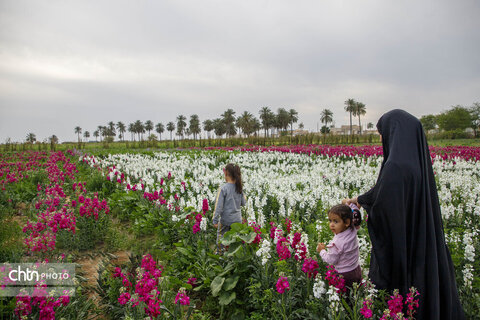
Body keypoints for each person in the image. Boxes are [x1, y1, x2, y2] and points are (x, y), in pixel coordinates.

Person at [345, 109, 464, 319]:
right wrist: (362, 200)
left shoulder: (394, 166)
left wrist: (364, 208)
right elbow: (387, 193)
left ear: (394, 132)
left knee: (404, 295)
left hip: (404, 244)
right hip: (422, 235)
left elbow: (385, 205)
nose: (381, 137)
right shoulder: (416, 162)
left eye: (381, 132)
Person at [316, 203, 362, 290]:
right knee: (356, 293)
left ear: (347, 222)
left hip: (344, 275)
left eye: (336, 221)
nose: (332, 225)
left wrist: (322, 251)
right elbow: (356, 213)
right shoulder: (353, 229)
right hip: (356, 269)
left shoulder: (336, 243)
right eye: (330, 221)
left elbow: (331, 260)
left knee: (345, 298)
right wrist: (350, 203)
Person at [212, 163, 246, 252]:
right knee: (235, 241)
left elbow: (218, 206)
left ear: (226, 173)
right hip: (237, 221)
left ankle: (221, 256)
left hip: (226, 221)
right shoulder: (239, 188)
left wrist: (215, 220)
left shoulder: (223, 188)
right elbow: (244, 203)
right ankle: (233, 259)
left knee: (221, 239)